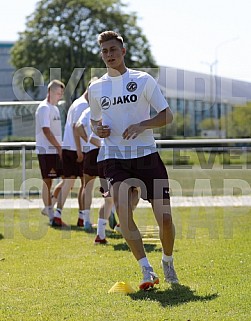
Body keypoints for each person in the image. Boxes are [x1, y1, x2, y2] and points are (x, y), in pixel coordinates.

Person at [89, 30, 178, 290]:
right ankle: (146, 269)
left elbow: (167, 116)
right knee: (123, 213)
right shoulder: (96, 88)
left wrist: (142, 125)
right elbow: (95, 121)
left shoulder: (143, 80)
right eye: (104, 51)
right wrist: (98, 130)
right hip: (114, 157)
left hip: (147, 155)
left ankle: (167, 261)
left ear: (123, 51)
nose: (109, 55)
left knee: (165, 219)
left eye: (113, 50)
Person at [52, 87, 90, 227]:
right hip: (75, 149)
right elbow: (76, 128)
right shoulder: (83, 105)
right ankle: (81, 217)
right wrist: (80, 151)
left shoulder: (77, 102)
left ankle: (58, 214)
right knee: (83, 183)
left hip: (70, 147)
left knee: (69, 182)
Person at [75, 107, 115, 242]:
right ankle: (110, 224)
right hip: (103, 155)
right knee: (110, 196)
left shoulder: (87, 110)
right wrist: (103, 145)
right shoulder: (106, 110)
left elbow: (78, 126)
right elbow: (84, 131)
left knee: (90, 188)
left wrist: (87, 140)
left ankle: (88, 220)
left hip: (94, 154)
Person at [35, 79, 65, 225]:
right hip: (46, 151)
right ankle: (51, 214)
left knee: (68, 179)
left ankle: (50, 205)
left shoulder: (55, 108)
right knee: (48, 182)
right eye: (58, 93)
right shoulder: (44, 108)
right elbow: (46, 131)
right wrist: (59, 147)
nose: (60, 96)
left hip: (56, 150)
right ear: (51, 92)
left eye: (61, 94)